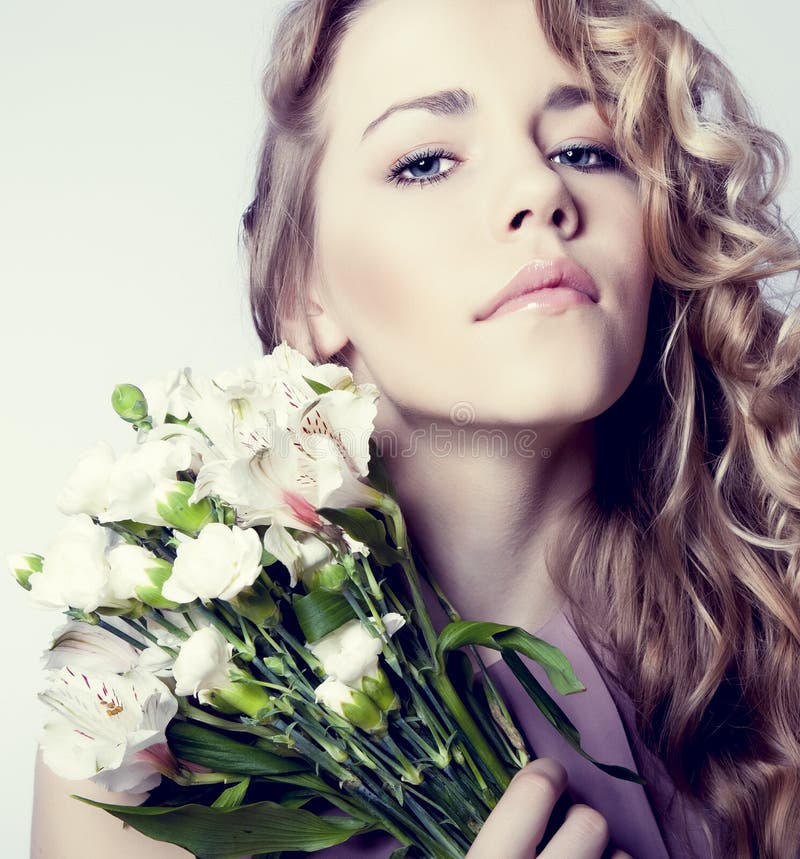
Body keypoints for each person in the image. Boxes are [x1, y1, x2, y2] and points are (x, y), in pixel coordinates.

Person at [32, 0, 800, 857]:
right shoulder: (144, 709)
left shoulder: (778, 607)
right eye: (428, 162)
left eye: (586, 150)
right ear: (303, 292)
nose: (543, 189)